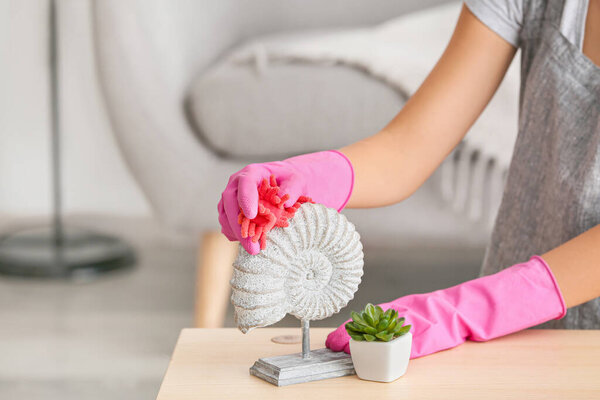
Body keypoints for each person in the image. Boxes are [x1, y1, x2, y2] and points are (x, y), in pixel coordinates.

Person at [218, 0, 600, 358]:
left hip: (505, 313)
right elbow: (409, 147)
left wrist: (469, 309)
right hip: (509, 336)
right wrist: (309, 176)